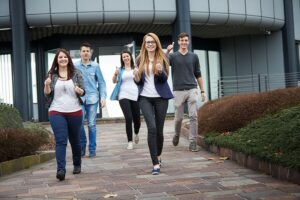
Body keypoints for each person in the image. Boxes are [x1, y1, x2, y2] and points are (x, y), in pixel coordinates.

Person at [134, 33, 173, 175]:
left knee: (159, 131)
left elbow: (164, 79)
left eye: (152, 42)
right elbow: (138, 81)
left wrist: (161, 71)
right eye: (147, 42)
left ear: (156, 43)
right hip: (145, 97)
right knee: (152, 127)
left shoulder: (163, 57)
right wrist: (136, 77)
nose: (150, 44)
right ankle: (155, 163)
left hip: (161, 97)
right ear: (144, 44)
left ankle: (158, 155)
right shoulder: (139, 59)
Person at [44, 48, 85, 181]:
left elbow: (83, 91)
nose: (63, 59)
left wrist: (80, 91)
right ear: (56, 60)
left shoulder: (76, 73)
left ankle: (77, 164)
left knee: (75, 140)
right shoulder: (52, 74)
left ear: (68, 59)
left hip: (75, 111)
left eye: (65, 57)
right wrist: (46, 85)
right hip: (56, 111)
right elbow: (47, 93)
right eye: (60, 57)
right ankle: (61, 170)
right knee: (61, 141)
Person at [166, 32, 206, 152]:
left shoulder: (194, 57)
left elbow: (198, 74)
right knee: (178, 118)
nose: (184, 42)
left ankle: (193, 142)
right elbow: (163, 63)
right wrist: (167, 51)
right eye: (182, 40)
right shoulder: (173, 56)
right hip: (178, 90)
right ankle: (177, 135)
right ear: (178, 42)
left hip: (192, 89)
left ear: (188, 42)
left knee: (193, 115)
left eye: (186, 40)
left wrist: (202, 91)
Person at [75, 43, 107, 157]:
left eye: (87, 51)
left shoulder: (95, 66)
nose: (85, 53)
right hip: (78, 99)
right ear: (80, 52)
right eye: (83, 51)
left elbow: (102, 83)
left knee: (91, 124)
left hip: (92, 99)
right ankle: (82, 146)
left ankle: (92, 149)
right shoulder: (75, 66)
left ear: (90, 52)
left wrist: (103, 97)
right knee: (79, 124)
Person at [110, 50, 141, 150]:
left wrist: (136, 74)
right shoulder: (120, 69)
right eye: (124, 57)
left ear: (130, 57)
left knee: (137, 120)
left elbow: (138, 81)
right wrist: (115, 74)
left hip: (135, 95)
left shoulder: (135, 68)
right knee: (128, 118)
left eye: (127, 56)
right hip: (123, 95)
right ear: (122, 59)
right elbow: (114, 81)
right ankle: (130, 141)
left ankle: (136, 133)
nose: (126, 58)